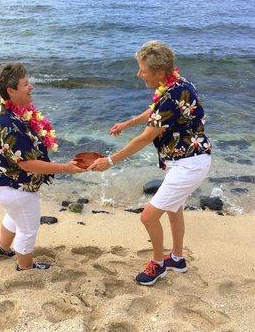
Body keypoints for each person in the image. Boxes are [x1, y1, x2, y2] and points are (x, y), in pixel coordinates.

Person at [89, 41, 211, 286]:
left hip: (190, 164)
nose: (138, 74)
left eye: (142, 69)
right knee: (174, 210)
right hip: (186, 161)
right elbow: (153, 112)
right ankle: (177, 258)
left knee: (148, 217)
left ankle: (158, 264)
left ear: (159, 72)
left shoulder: (173, 95)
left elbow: (145, 138)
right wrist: (127, 123)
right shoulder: (176, 85)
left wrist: (110, 160)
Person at [0, 62, 85, 271]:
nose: (31, 87)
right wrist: (64, 168)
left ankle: (2, 249)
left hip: (3, 182)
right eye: (25, 84)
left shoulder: (16, 113)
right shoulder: (9, 125)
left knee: (14, 216)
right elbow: (27, 163)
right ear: (11, 91)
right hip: (14, 186)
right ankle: (25, 267)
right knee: (29, 228)